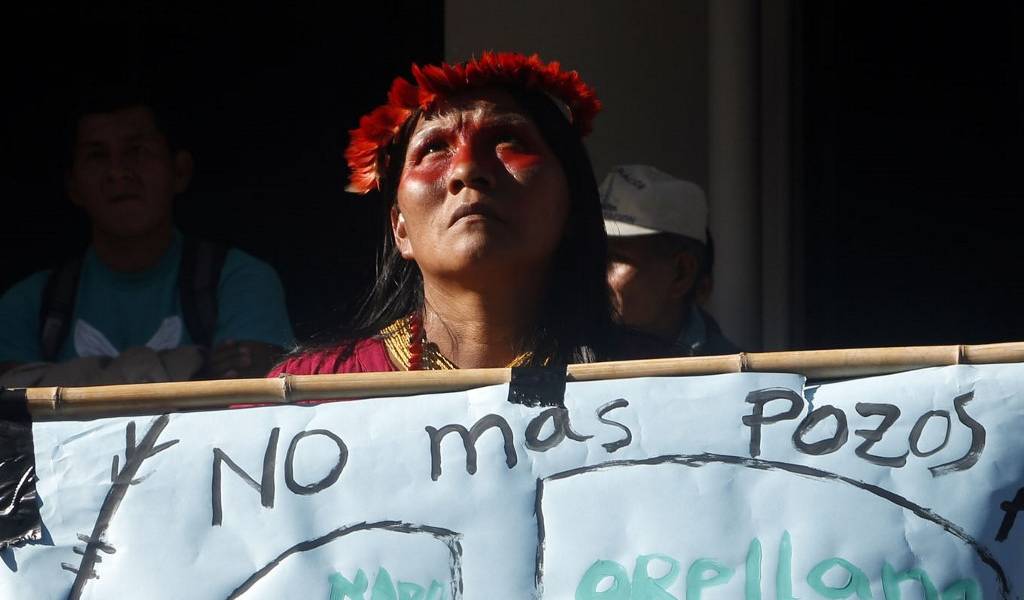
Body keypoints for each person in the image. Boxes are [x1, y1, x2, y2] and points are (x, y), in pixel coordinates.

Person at [271, 52, 668, 376]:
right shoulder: (305, 400)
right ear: (400, 228)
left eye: (507, 140)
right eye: (433, 149)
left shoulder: (673, 388)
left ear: (572, 206)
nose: (466, 169)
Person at [0, 87, 294, 387]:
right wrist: (197, 368)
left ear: (179, 171)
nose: (117, 172)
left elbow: (255, 398)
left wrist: (58, 381)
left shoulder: (242, 280)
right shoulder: (26, 304)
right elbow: (11, 415)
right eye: (96, 156)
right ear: (73, 186)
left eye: (136, 151)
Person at [602, 165, 738, 356]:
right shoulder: (562, 359)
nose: (591, 272)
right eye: (591, 256)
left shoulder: (738, 382)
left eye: (615, 258)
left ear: (681, 274)